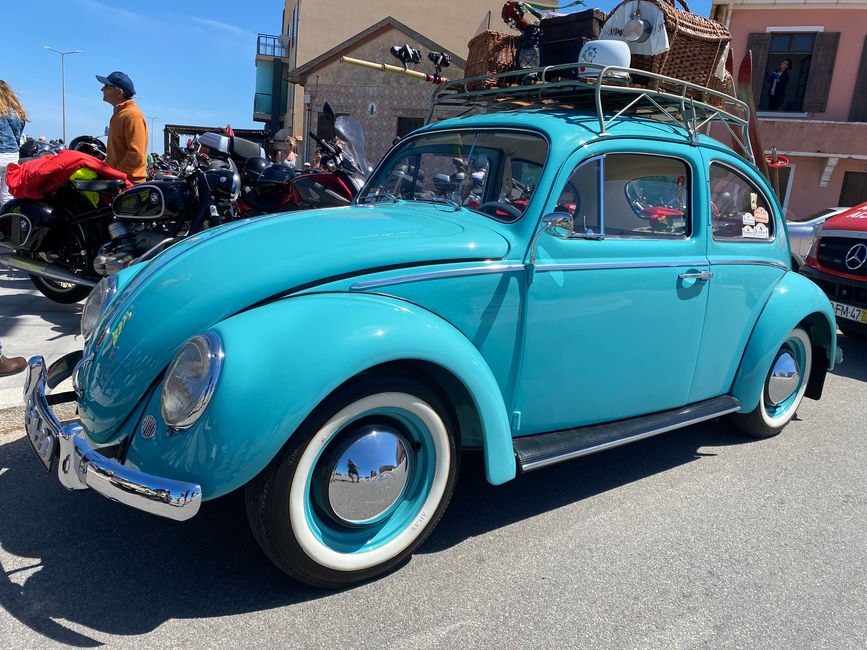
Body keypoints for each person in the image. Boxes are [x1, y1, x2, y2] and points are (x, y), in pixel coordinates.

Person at [97, 71, 148, 183]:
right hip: (120, 181)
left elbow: (136, 155)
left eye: (106, 86)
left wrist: (115, 174)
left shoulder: (133, 116)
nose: (102, 89)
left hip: (129, 183)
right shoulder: (120, 114)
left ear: (119, 93)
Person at [0, 80, 27, 206]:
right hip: (12, 155)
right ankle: (7, 223)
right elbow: (18, 135)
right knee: (7, 195)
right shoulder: (16, 112)